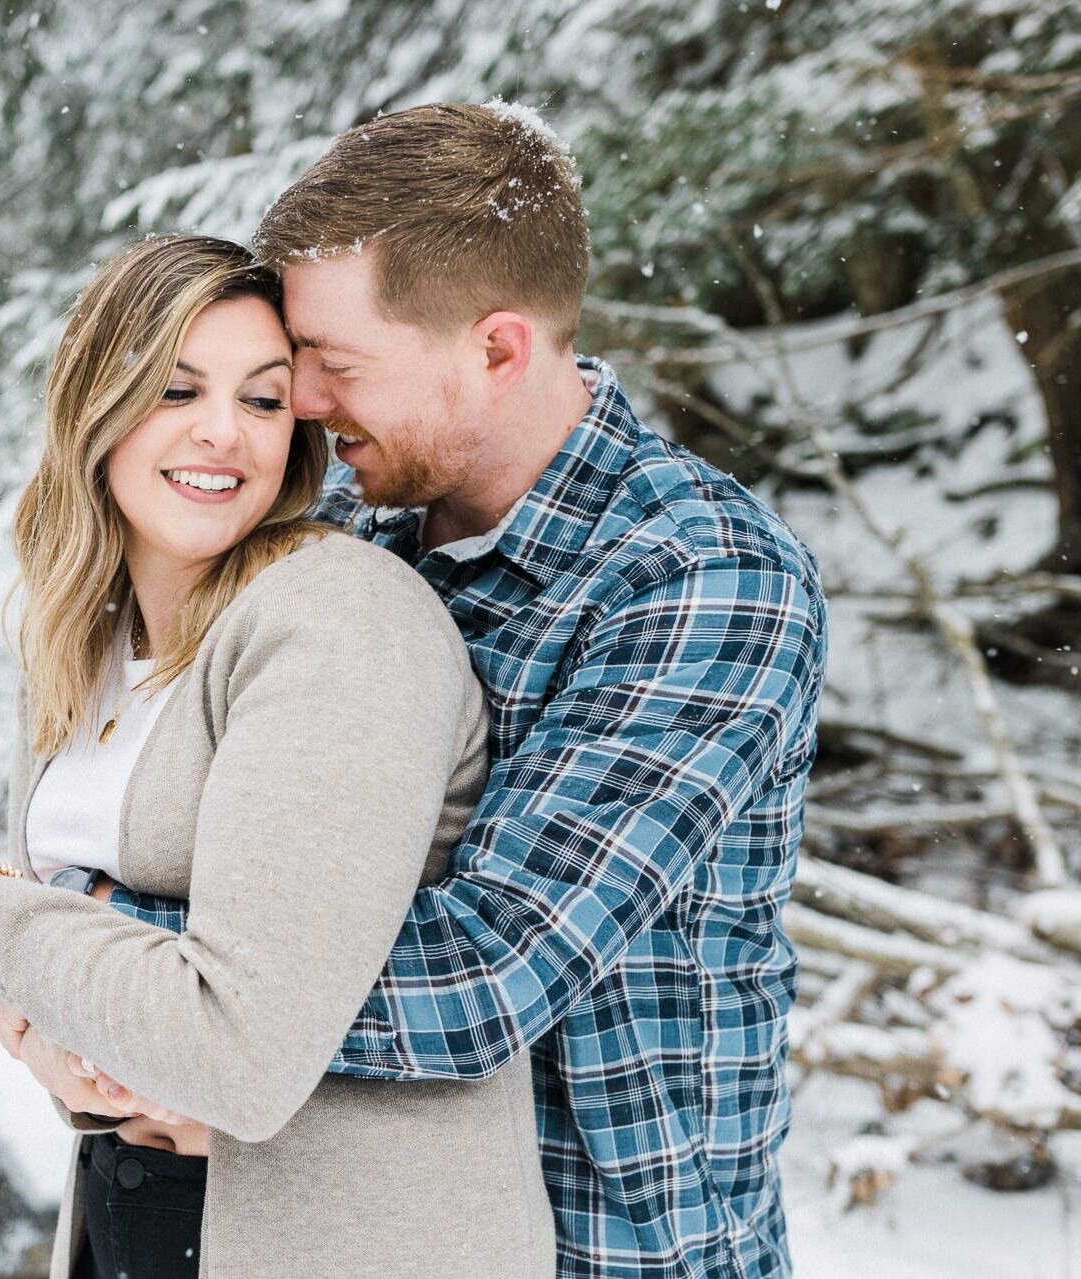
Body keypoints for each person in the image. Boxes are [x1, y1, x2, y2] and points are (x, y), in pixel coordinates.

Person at [41, 103, 829, 1279]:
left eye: (333, 363)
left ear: (498, 349)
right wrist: (109, 1027)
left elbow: (480, 975)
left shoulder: (699, 578)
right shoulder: (360, 525)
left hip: (608, 1245)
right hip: (343, 1231)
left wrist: (77, 938)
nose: (300, 401)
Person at [0, 232, 556, 1279]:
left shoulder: (336, 616)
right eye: (176, 390)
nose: (224, 433)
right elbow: (70, 998)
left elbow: (237, 1051)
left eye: (266, 400)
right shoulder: (79, 639)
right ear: (96, 400)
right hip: (127, 1210)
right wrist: (73, 1065)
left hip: (347, 1241)